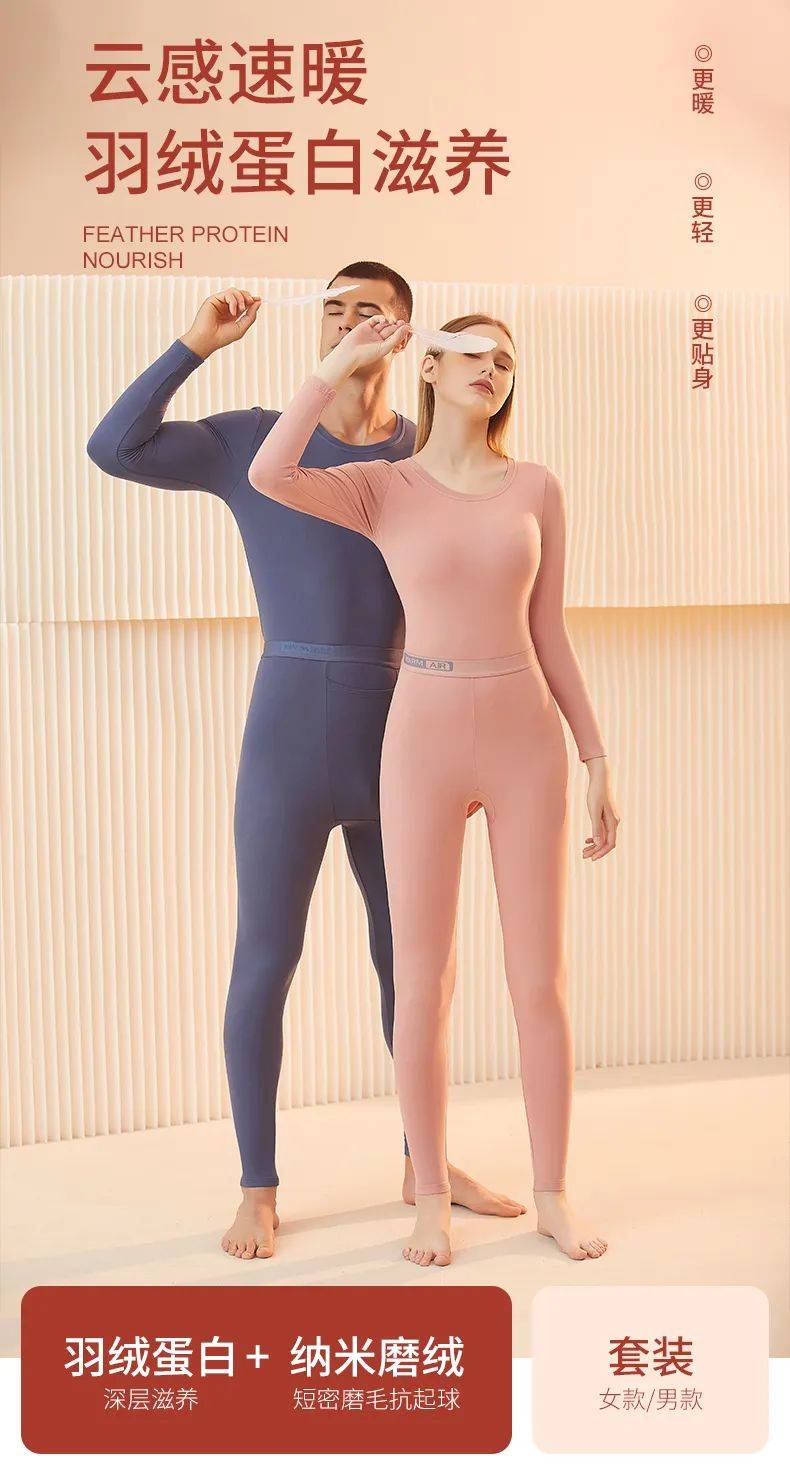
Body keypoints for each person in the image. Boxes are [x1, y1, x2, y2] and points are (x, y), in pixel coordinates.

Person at [86, 266, 525, 1260]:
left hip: (406, 734)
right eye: (334, 307)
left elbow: (483, 600)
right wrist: (196, 345)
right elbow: (114, 449)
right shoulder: (256, 439)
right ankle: (258, 1186)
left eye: (371, 310)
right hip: (286, 733)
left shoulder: (428, 458)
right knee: (265, 959)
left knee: (415, 965)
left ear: (406, 335)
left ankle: (424, 1164)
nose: (349, 320)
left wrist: (472, 750)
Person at [248, 311, 621, 1266]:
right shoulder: (383, 486)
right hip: (420, 738)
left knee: (539, 981)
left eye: (507, 360)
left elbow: (550, 629)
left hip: (527, 739)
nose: (492, 369)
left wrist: (595, 756)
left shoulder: (536, 487)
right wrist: (338, 363)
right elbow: (269, 473)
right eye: (474, 354)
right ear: (432, 368)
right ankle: (428, 1197)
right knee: (422, 981)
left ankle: (553, 1195)